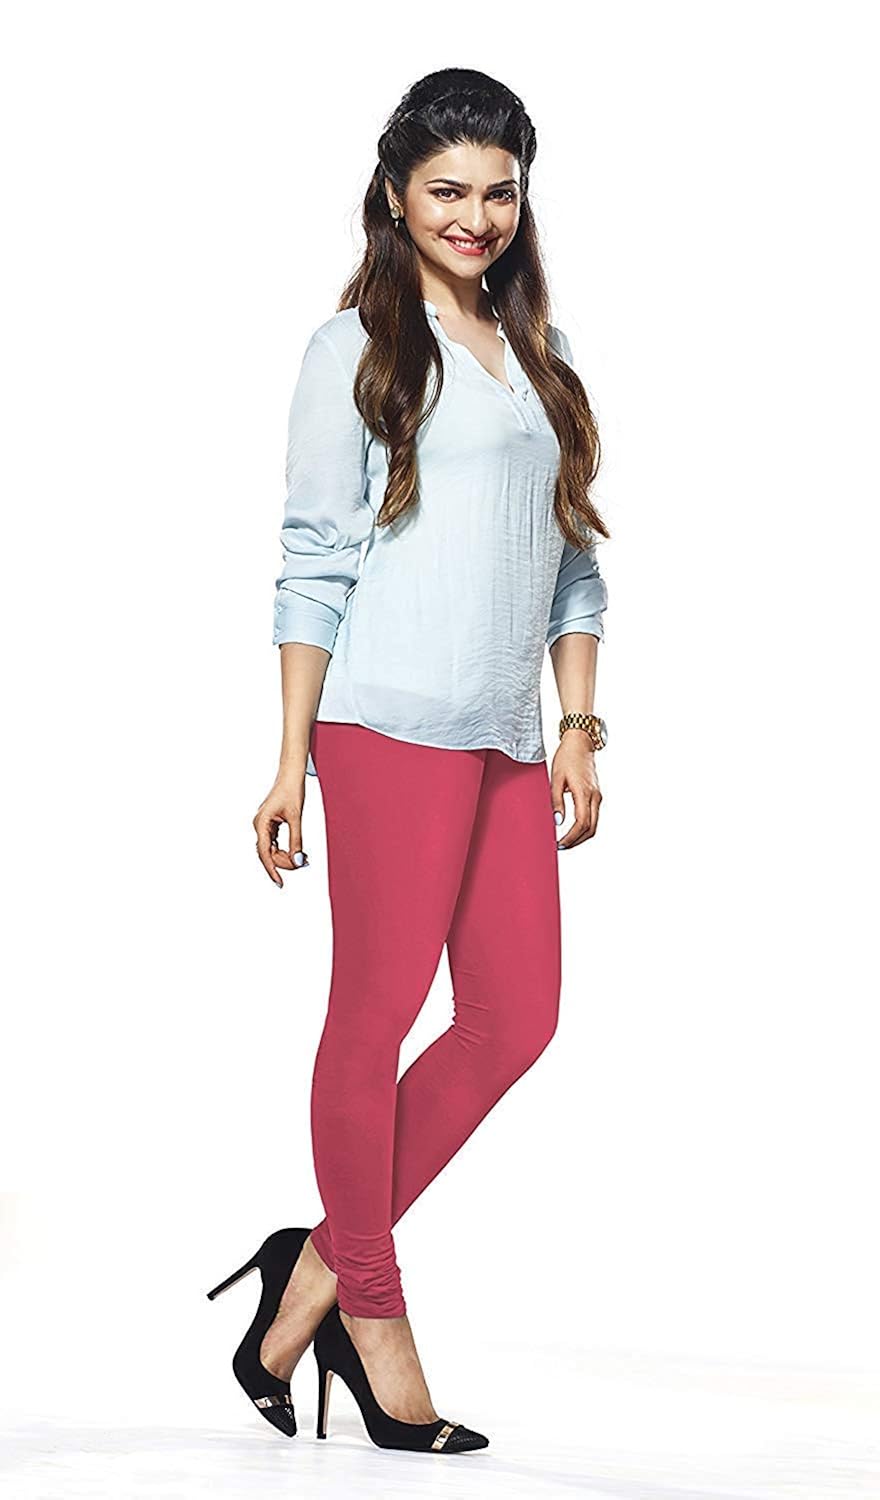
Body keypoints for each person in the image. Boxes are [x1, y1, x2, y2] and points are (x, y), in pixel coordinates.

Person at [226, 67, 609, 1455]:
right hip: (384, 724)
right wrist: (289, 760)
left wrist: (577, 729)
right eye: (447, 190)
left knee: (517, 1018)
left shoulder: (536, 356)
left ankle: (314, 1271)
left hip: (506, 735)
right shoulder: (356, 351)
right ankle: (372, 1312)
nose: (475, 217)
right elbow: (313, 559)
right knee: (374, 1011)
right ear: (395, 196)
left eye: (499, 192)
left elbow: (574, 561)